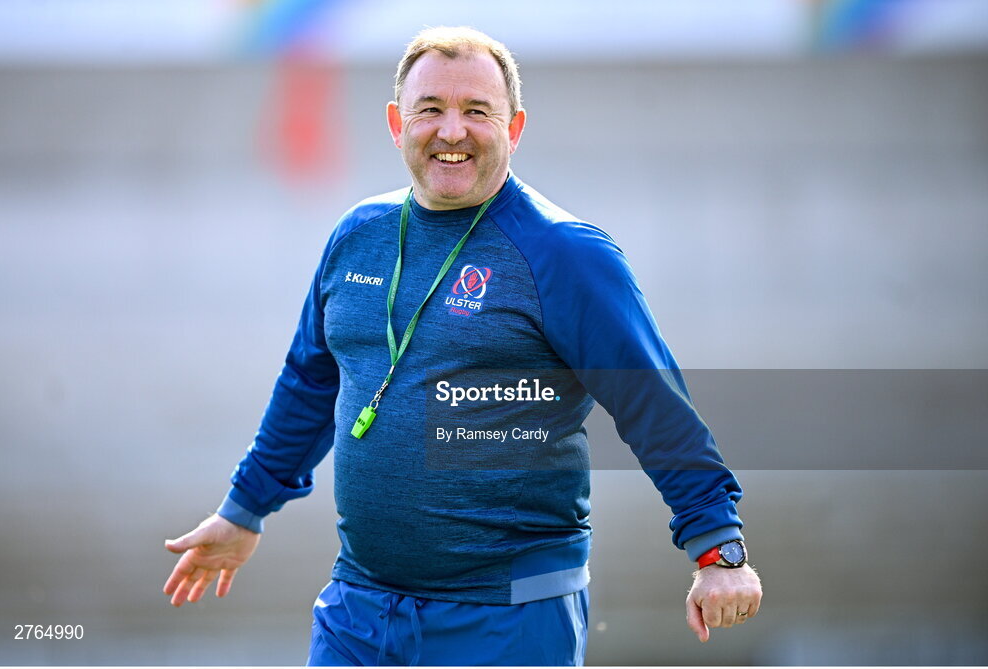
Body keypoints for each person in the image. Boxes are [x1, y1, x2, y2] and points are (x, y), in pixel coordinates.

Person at [163, 26, 762, 666]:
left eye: (478, 111)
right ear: (397, 123)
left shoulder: (566, 254)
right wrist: (246, 507)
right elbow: (310, 383)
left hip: (511, 616)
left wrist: (717, 548)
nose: (453, 131)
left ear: (516, 126)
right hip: (361, 610)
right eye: (431, 110)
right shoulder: (358, 234)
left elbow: (655, 406)